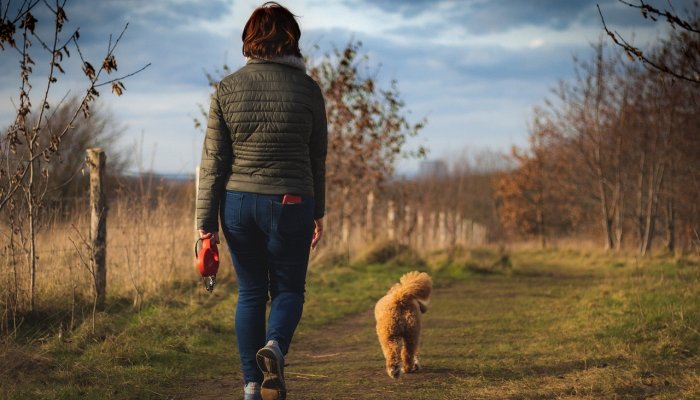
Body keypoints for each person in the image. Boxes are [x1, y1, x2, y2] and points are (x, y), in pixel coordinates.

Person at [195, 2, 327, 399]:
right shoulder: (308, 90)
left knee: (250, 292)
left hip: (237, 204)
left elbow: (213, 160)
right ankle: (274, 348)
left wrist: (205, 224)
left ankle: (252, 385)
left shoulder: (227, 88)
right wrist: (317, 211)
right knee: (288, 291)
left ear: (250, 40)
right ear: (292, 41)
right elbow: (316, 157)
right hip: (291, 202)